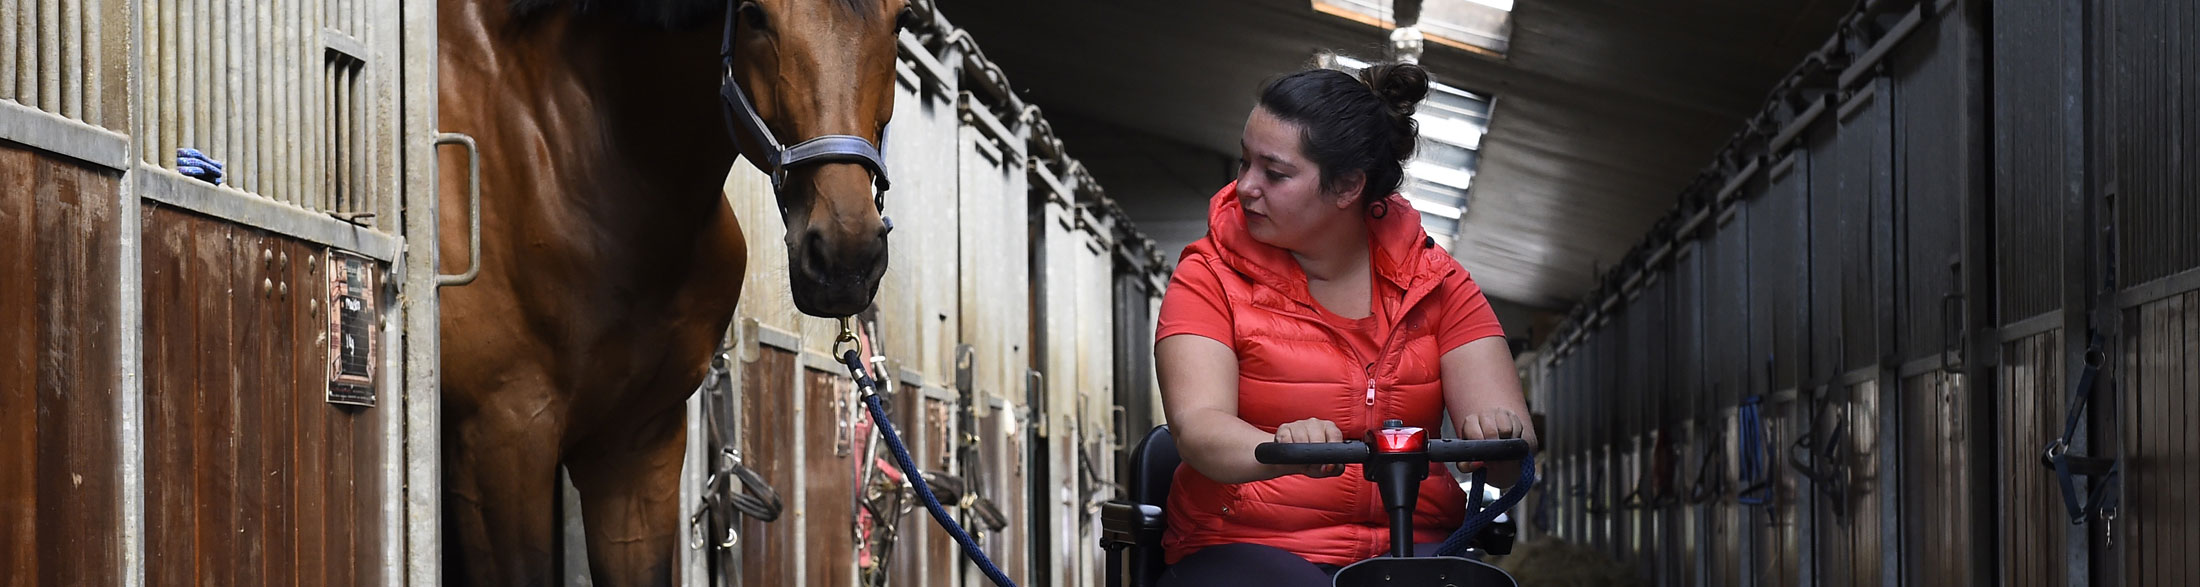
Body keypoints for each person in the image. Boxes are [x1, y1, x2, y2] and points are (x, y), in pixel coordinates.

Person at [1153, 59, 1537, 586]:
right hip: (1246, 543)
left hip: (1415, 544)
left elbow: (1512, 455)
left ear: (1348, 186)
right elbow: (1199, 428)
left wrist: (1497, 436)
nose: (1245, 187)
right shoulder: (1208, 276)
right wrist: (1284, 450)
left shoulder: (1437, 282)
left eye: (1274, 173)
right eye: (1245, 162)